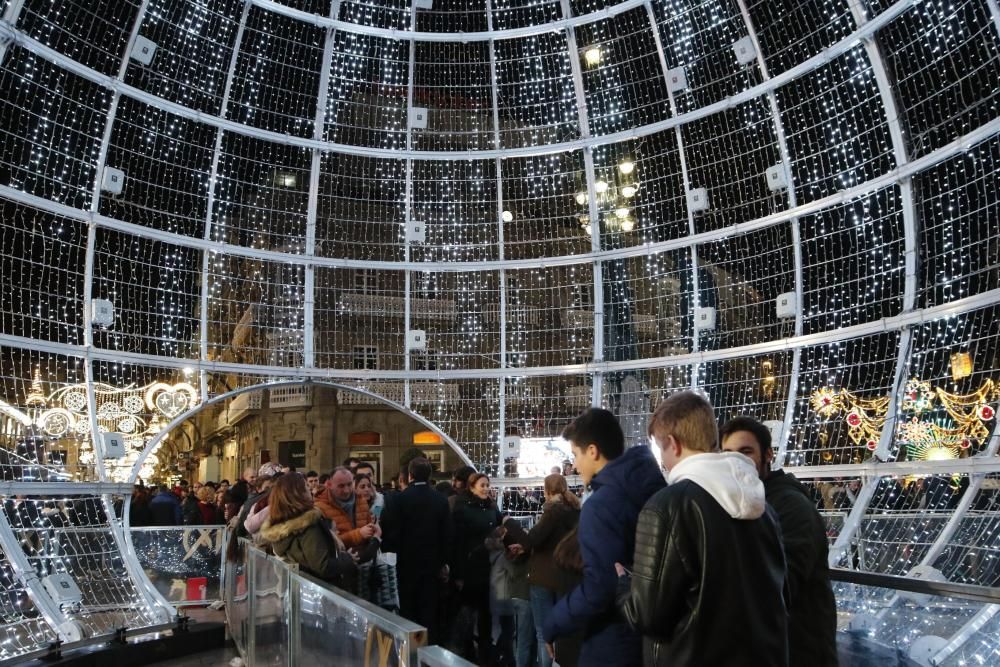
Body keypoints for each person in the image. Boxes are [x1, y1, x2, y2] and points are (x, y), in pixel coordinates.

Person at [616, 391, 788, 666]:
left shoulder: (667, 506)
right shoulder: (765, 509)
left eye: (661, 449)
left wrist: (624, 583)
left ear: (673, 444)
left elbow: (648, 616)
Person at [543, 408, 665, 667]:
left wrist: (554, 622)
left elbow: (600, 587)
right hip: (654, 638)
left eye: (575, 454)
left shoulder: (602, 505)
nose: (574, 465)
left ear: (593, 451)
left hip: (613, 640)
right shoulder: (654, 488)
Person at [721, 416, 836, 667]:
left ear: (768, 455)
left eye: (746, 451)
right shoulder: (744, 503)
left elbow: (782, 585)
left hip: (798, 651)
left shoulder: (790, 506)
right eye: (728, 453)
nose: (736, 461)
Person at [503, 474, 580, 667]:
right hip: (566, 578)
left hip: (544, 579)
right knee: (561, 631)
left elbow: (532, 540)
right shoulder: (576, 511)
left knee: (543, 634)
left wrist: (508, 522)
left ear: (546, 491)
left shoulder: (553, 511)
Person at [380, 457, 453, 644]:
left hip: (405, 565)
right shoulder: (440, 500)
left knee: (408, 612)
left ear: (409, 475)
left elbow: (392, 534)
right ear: (429, 475)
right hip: (431, 566)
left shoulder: (399, 499)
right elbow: (446, 535)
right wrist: (444, 563)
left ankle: (409, 650)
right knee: (429, 613)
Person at [259, 473, 358, 591]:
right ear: (297, 494)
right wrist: (347, 559)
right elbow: (323, 566)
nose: (310, 490)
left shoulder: (282, 525)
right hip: (320, 593)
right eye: (306, 487)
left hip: (300, 592)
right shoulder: (308, 524)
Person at [450, 472, 503, 664]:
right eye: (482, 485)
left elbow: (498, 524)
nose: (486, 488)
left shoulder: (490, 507)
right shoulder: (462, 509)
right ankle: (464, 651)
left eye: (487, 485)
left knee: (486, 613)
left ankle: (485, 652)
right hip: (470, 568)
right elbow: (457, 542)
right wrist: (458, 573)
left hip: (488, 567)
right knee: (467, 612)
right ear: (472, 487)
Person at [316, 467, 380, 551]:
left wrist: (374, 532)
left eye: (349, 484)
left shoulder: (361, 500)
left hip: (365, 559)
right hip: (340, 561)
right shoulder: (320, 508)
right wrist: (358, 534)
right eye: (341, 486)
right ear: (329, 485)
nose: (346, 490)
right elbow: (325, 543)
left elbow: (369, 529)